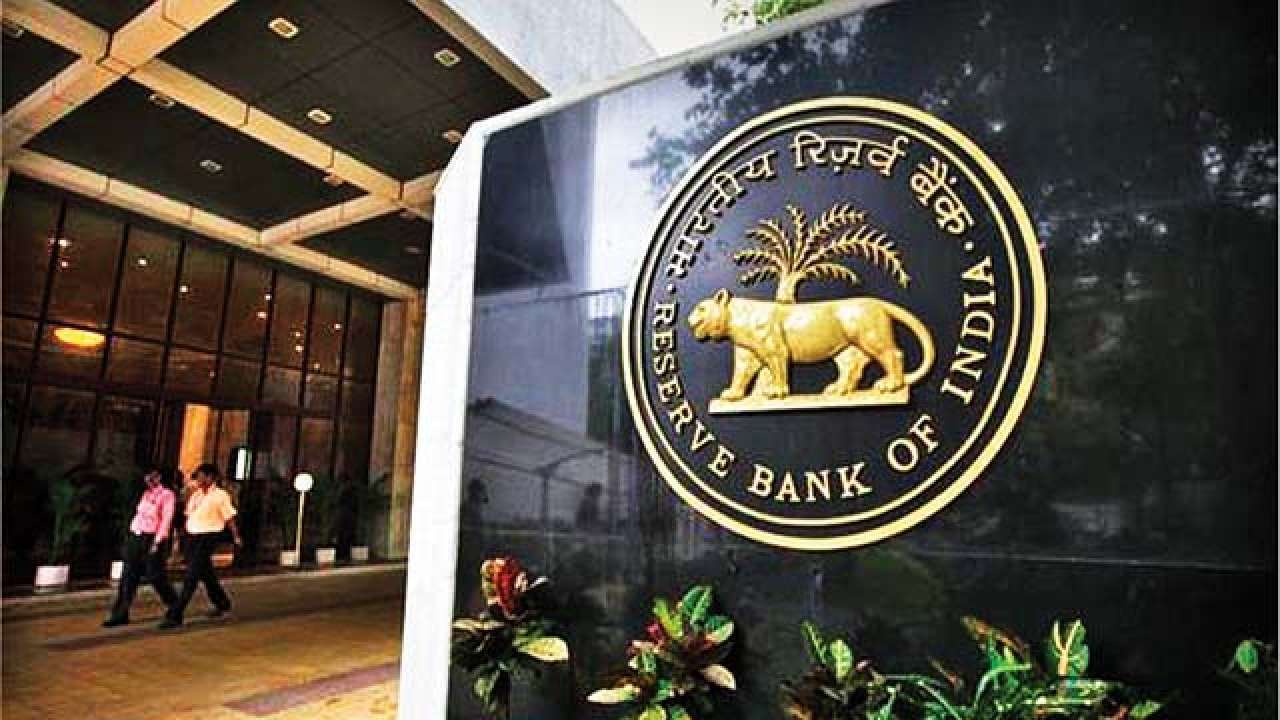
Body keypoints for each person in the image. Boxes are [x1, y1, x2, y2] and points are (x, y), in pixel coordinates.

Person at [159, 463, 242, 629]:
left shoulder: (220, 495)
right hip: (192, 536)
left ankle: (176, 613)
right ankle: (222, 602)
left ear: (211, 478)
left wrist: (236, 536)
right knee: (205, 573)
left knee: (192, 575)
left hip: (208, 536)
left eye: (202, 476)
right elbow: (188, 515)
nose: (199, 479)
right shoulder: (196, 495)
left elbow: (229, 517)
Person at [102, 465, 178, 627]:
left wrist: (157, 541)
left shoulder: (167, 495)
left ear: (160, 477)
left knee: (155, 576)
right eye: (147, 476)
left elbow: (166, 519)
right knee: (128, 576)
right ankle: (120, 613)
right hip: (136, 535)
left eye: (153, 476)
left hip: (152, 538)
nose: (149, 479)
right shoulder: (145, 494)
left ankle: (175, 605)